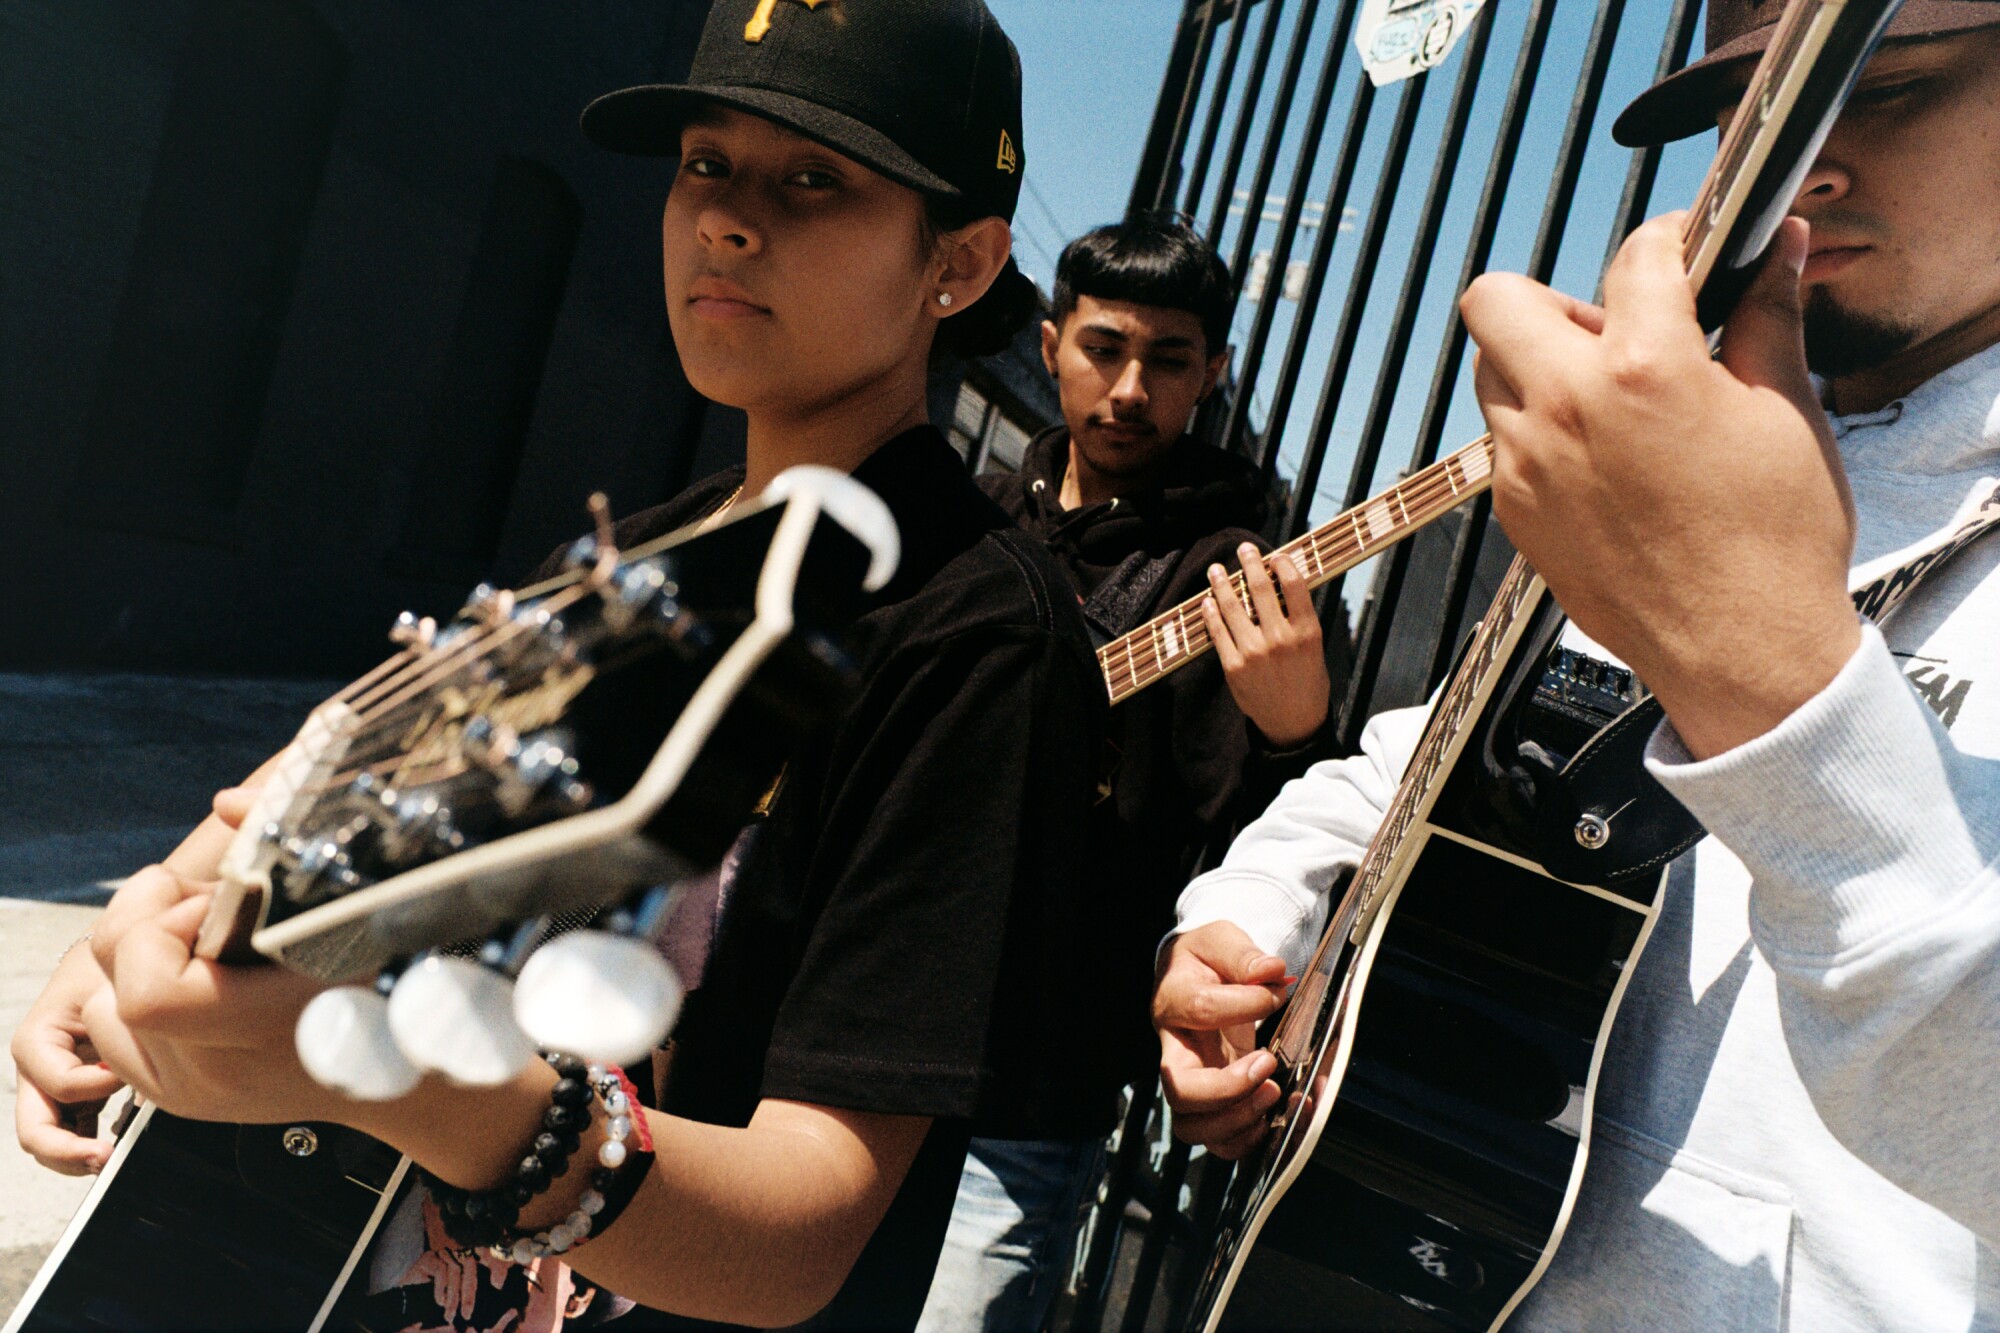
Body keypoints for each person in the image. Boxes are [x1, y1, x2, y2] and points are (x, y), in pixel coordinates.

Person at [10, 1, 1140, 1329]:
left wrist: (385, 1077)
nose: (725, 217)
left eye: (814, 180)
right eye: (706, 162)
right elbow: (282, 805)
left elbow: (804, 1233)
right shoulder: (629, 560)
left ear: (957, 263)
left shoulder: (977, 634)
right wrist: (129, 929)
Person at [1154, 5, 2000, 1329]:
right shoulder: (1686, 441)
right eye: (1754, 110)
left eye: (1884, 88)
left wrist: (1780, 693)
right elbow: (1429, 763)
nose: (1803, 163)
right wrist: (1254, 917)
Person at [918, 217, 1335, 1332]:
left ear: (1213, 374)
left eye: (1168, 360)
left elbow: (1257, 853)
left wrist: (1296, 731)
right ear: (1052, 344)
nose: (1128, 388)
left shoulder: (1244, 569)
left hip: (1032, 1082)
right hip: (856, 1029)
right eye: (1103, 348)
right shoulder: (965, 522)